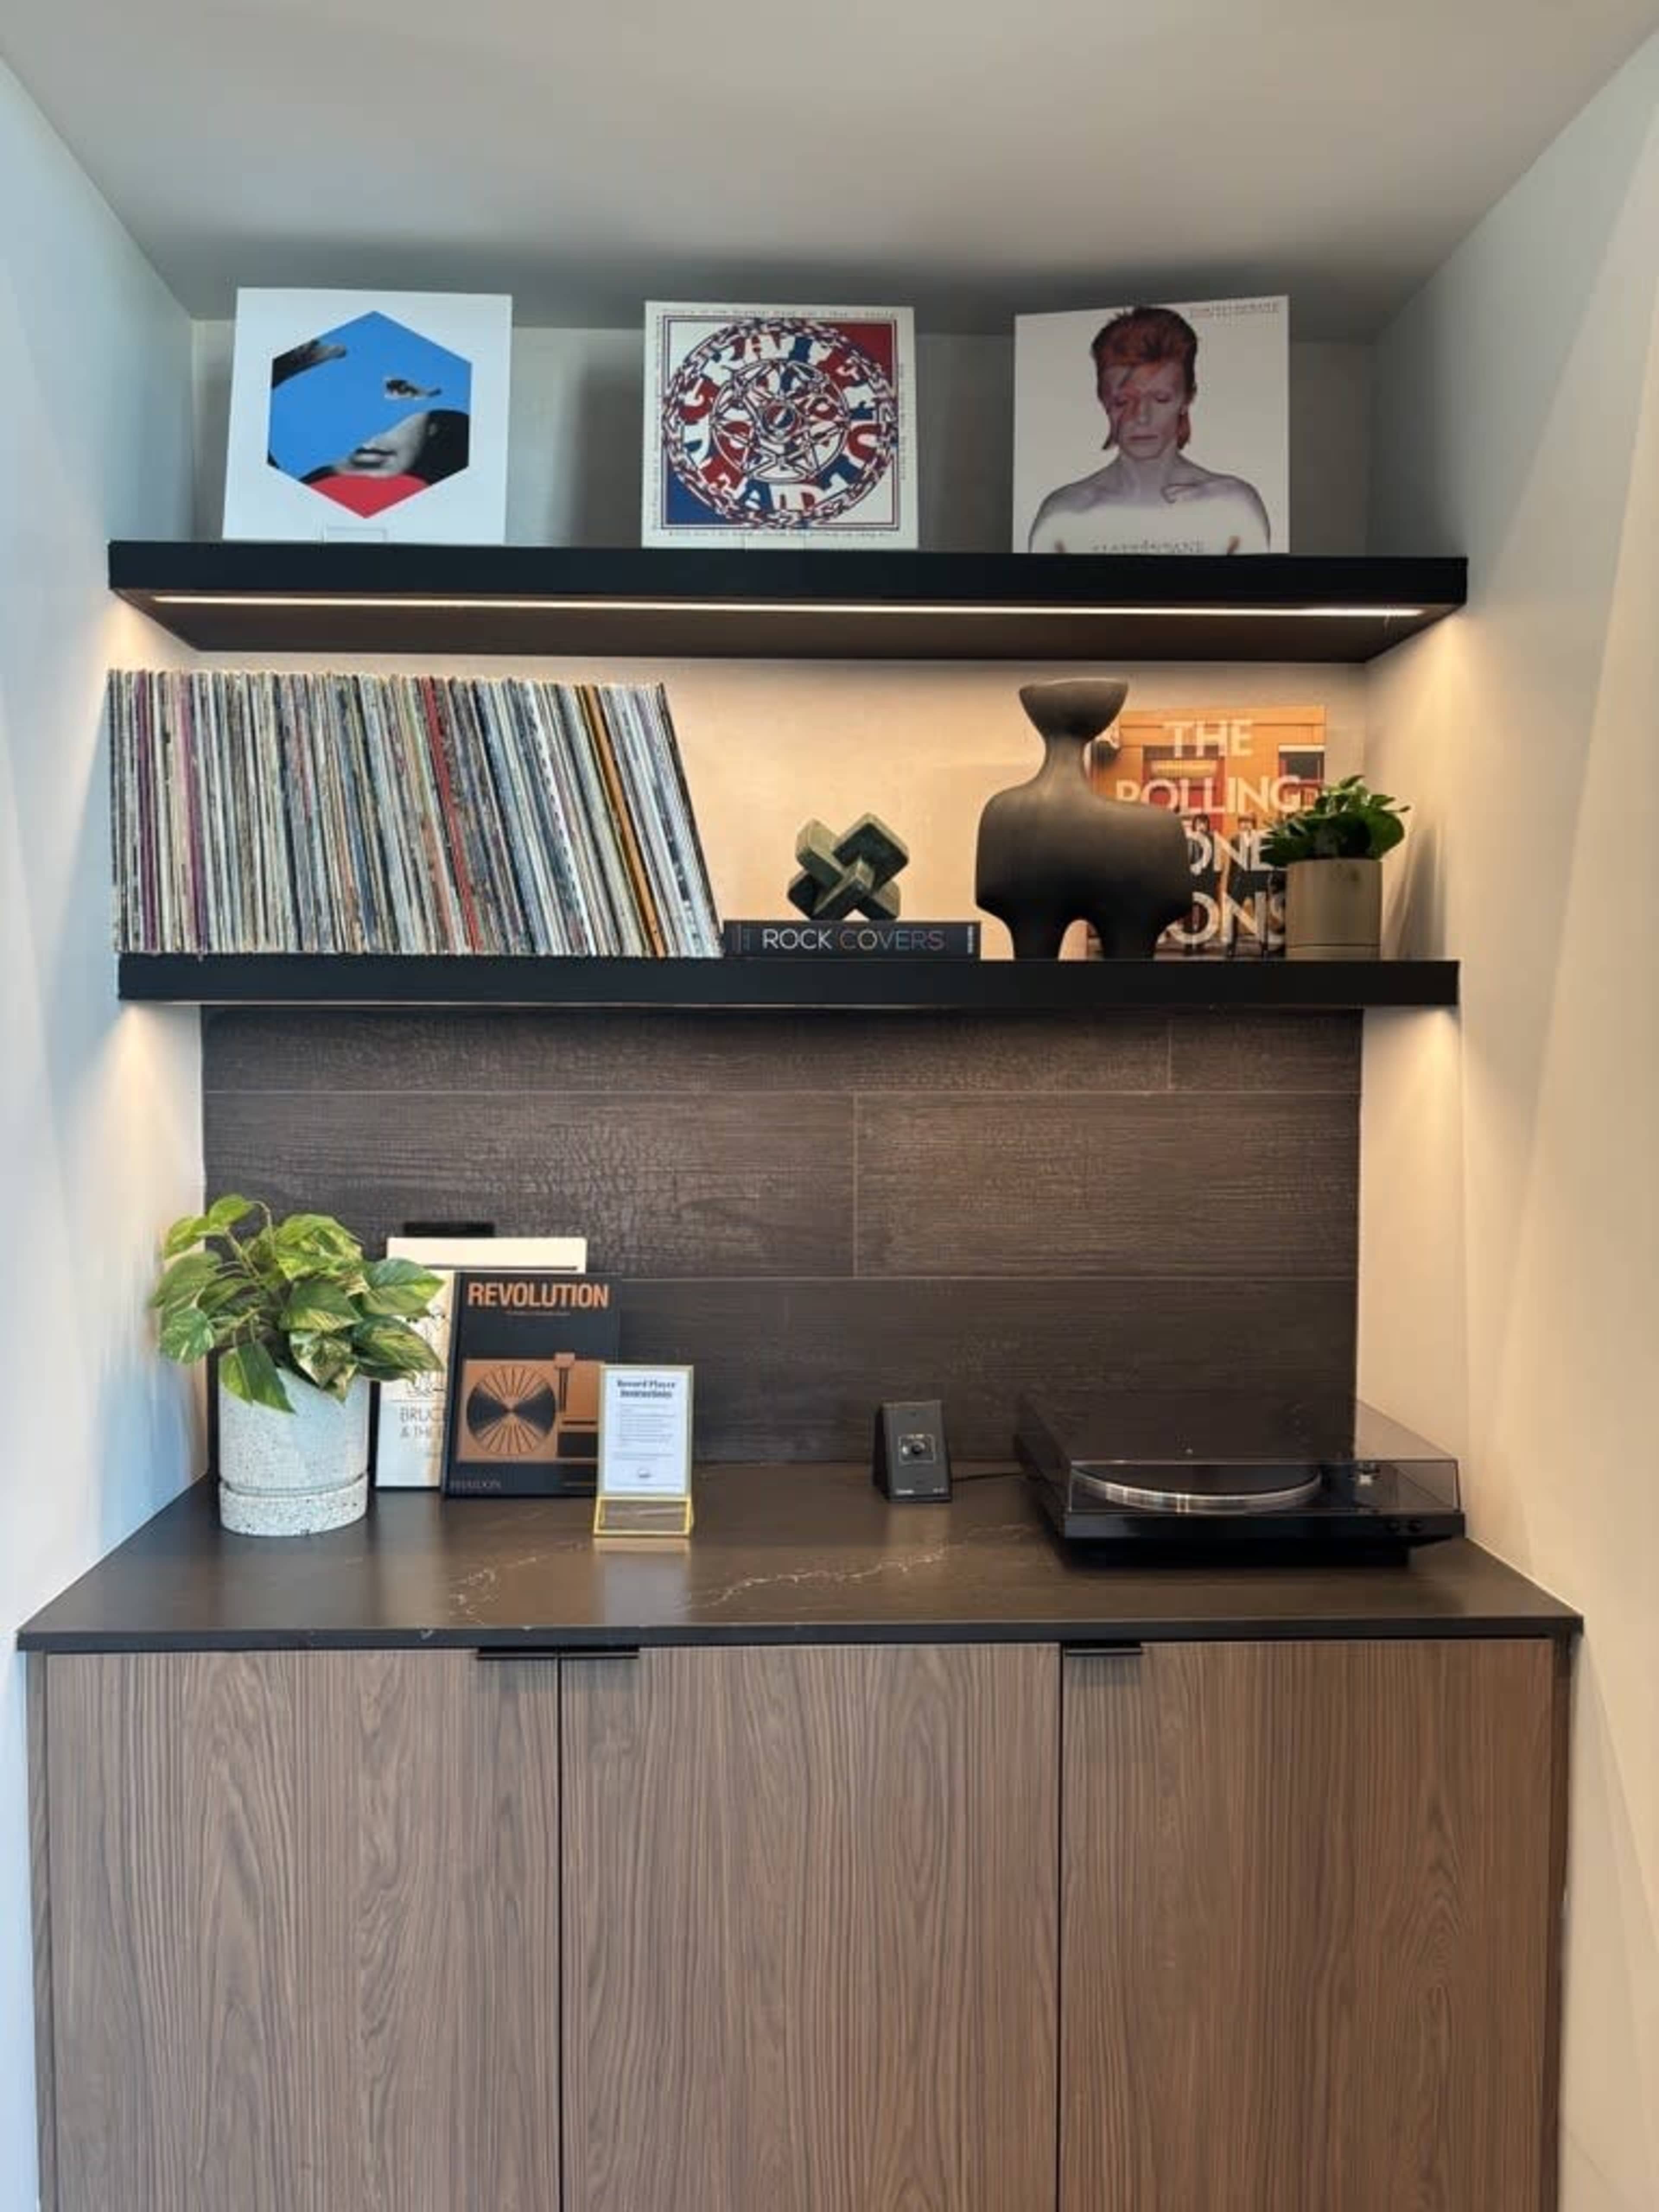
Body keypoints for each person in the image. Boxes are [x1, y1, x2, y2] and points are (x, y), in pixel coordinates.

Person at [1027, 306, 1270, 555]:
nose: (1141, 417)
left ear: (1188, 398)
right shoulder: (1063, 516)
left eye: (1161, 398)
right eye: (1123, 401)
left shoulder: (1235, 508)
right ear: (1103, 400)